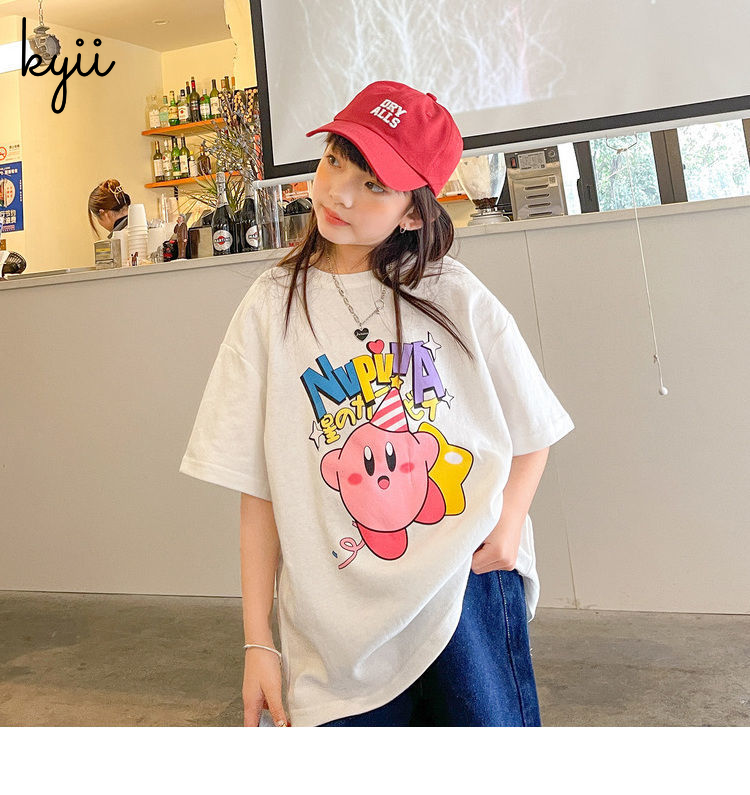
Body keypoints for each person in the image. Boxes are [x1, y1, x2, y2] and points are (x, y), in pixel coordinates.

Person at [179, 80, 575, 727]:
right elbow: (260, 489)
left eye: (373, 184)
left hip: (462, 595)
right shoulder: (272, 305)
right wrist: (257, 641)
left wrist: (508, 525)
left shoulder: (451, 293)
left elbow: (536, 426)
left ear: (413, 212)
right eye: (335, 160)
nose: (338, 193)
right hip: (333, 628)